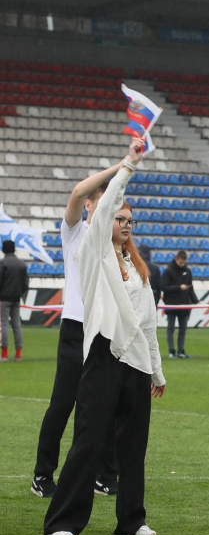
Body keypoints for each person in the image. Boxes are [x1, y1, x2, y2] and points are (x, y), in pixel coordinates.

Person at [43, 138, 166, 535]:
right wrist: (127, 166)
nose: (126, 224)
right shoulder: (92, 254)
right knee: (90, 440)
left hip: (137, 362)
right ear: (104, 219)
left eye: (131, 220)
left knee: (133, 447)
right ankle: (62, 522)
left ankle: (131, 520)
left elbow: (148, 323)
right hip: (103, 355)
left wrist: (157, 371)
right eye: (119, 217)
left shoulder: (137, 265)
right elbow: (98, 205)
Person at [32, 168, 121, 500]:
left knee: (106, 404)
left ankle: (105, 474)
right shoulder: (76, 233)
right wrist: (122, 166)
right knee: (63, 404)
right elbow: (76, 191)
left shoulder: (113, 244)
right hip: (74, 329)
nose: (109, 212)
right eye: (103, 203)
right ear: (89, 206)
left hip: (104, 331)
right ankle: (42, 475)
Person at [161, 250, 197, 359]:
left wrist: (196, 301)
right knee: (171, 328)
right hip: (171, 304)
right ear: (176, 259)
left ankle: (181, 351)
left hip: (184, 305)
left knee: (183, 329)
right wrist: (179, 287)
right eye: (180, 262)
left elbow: (190, 288)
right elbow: (164, 287)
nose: (182, 264)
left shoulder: (188, 271)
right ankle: (171, 351)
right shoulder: (168, 271)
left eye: (184, 263)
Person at [0, 239, 29, 362]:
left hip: (4, 299)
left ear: (3, 250)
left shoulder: (2, 263)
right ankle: (18, 354)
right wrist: (20, 293)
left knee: (4, 325)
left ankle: (4, 354)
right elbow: (26, 283)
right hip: (17, 298)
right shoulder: (21, 264)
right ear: (14, 249)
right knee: (17, 325)